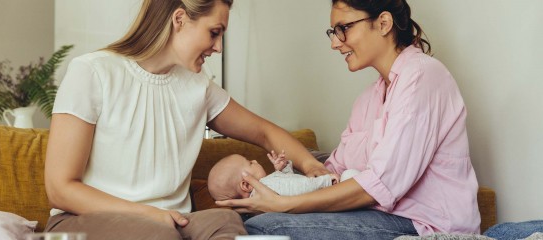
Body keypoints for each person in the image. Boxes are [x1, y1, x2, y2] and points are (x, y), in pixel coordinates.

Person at [43, 0, 330, 239]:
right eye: (214, 32)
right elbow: (60, 189)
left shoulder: (197, 86)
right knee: (157, 234)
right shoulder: (92, 72)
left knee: (225, 223)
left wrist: (310, 165)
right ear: (179, 19)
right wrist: (149, 214)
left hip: (170, 223)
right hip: (81, 220)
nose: (218, 47)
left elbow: (265, 132)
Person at [216, 0, 481, 239]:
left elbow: (379, 187)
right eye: (333, 32)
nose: (335, 42)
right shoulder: (369, 98)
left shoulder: (423, 76)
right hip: (377, 213)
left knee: (265, 227)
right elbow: (335, 170)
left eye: (344, 28)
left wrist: (283, 205)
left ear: (384, 23)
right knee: (241, 218)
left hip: (422, 223)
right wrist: (287, 182)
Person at [208, 150, 350, 201]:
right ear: (246, 185)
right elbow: (300, 187)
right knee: (351, 175)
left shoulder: (264, 191)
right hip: (326, 190)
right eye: (250, 163)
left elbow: (288, 184)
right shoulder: (268, 186)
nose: (255, 161)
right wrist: (326, 181)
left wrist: (283, 169)